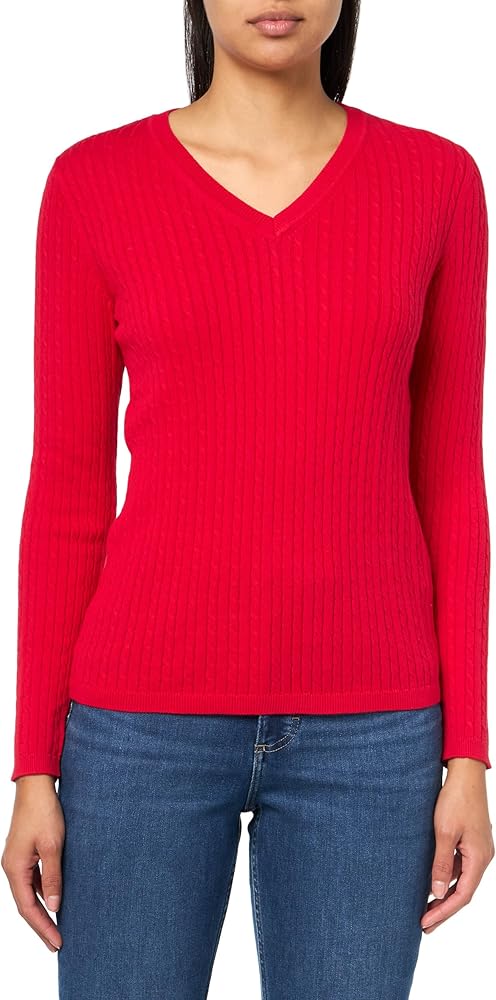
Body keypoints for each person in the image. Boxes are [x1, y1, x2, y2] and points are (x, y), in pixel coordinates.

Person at [2, 1, 494, 997]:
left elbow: (449, 477)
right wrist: (33, 768)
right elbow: (67, 492)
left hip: (374, 735)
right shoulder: (94, 183)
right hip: (137, 728)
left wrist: (469, 756)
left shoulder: (437, 182)